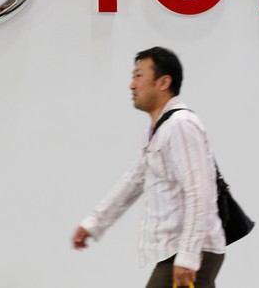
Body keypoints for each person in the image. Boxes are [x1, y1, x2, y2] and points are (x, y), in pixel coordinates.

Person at [72, 47, 226, 288]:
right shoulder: (159, 131)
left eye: (138, 76)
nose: (132, 85)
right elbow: (134, 180)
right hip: (180, 251)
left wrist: (187, 255)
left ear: (163, 82)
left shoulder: (181, 126)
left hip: (190, 250)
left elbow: (200, 192)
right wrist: (95, 222)